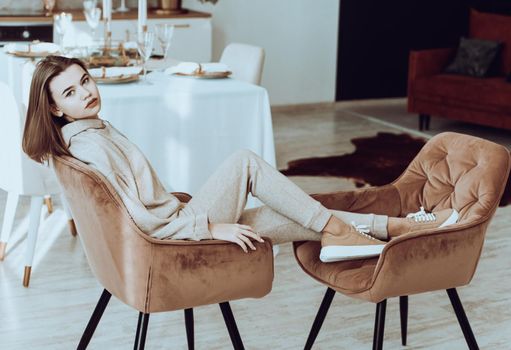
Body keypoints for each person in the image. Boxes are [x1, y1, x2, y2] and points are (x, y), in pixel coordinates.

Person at [22, 56, 458, 263]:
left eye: (84, 80)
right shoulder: (90, 145)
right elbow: (139, 218)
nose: (87, 92)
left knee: (281, 213)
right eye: (71, 92)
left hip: (176, 222)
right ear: (56, 109)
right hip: (174, 235)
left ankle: (398, 228)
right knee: (245, 162)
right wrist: (210, 226)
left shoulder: (84, 133)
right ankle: (345, 230)